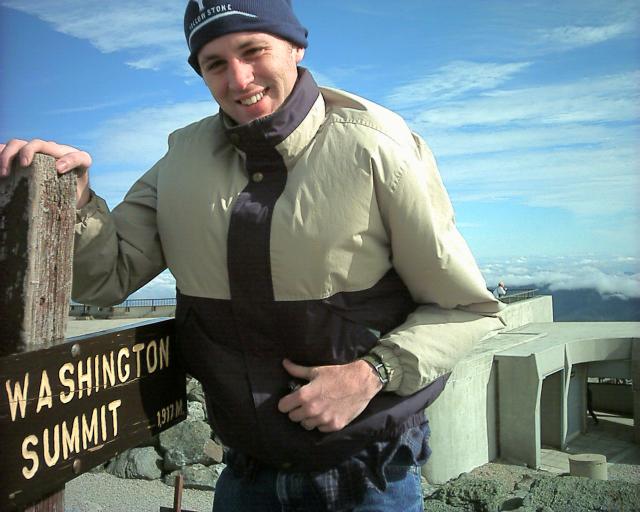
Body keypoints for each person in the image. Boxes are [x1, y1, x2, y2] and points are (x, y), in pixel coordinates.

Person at [0, 1, 505, 510]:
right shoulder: (180, 161)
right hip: (244, 475)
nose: (239, 79)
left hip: (365, 475)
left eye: (253, 50)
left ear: (295, 46)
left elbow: (465, 308)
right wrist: (78, 203)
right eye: (215, 63)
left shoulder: (377, 148)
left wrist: (370, 373)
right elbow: (104, 280)